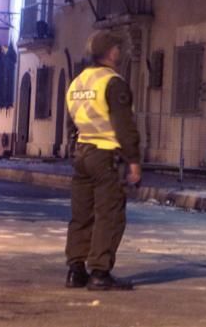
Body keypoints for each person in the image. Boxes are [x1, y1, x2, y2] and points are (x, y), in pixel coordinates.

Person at [64, 31, 142, 291]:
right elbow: (124, 125)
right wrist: (133, 161)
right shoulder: (113, 82)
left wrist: (75, 150)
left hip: (82, 153)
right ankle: (99, 272)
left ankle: (75, 271)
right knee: (109, 214)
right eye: (118, 47)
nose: (121, 51)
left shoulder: (77, 83)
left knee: (81, 215)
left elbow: (71, 123)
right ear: (111, 52)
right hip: (105, 155)